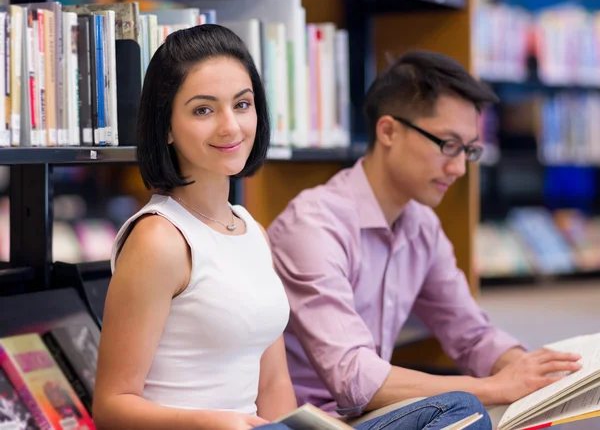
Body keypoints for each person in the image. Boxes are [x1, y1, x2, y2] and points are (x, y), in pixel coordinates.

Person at [92, 25, 491, 430]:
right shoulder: (158, 238)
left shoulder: (250, 231)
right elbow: (111, 407)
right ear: (167, 128)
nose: (230, 126)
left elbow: (274, 383)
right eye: (203, 110)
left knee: (460, 409)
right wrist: (209, 422)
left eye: (242, 105)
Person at [266, 50, 583, 422]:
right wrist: (496, 386)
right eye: (448, 145)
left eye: (468, 150)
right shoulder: (313, 225)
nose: (459, 168)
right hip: (310, 420)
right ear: (388, 131)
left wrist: (531, 371)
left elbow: (471, 334)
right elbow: (353, 374)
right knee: (470, 409)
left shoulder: (422, 225)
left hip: (372, 415)